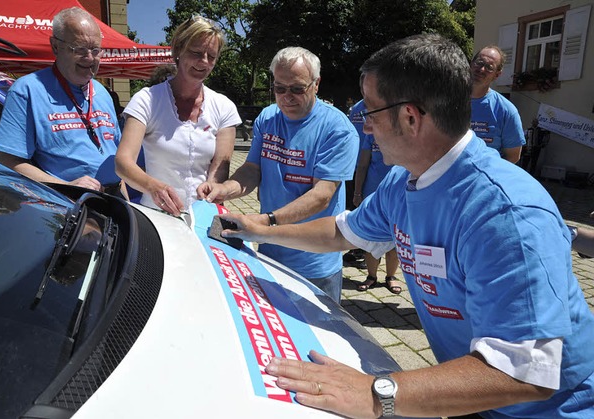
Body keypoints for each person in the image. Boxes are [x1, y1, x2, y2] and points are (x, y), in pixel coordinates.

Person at [218, 34, 594, 418]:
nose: (364, 128)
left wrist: (377, 392)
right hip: (477, 401)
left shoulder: (505, 213)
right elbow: (341, 233)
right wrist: (259, 230)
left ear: (410, 118)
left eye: (370, 113)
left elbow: (525, 372)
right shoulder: (404, 181)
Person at [198, 47, 359, 303]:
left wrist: (266, 222)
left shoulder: (337, 130)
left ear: (316, 84)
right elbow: (253, 169)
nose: (286, 97)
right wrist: (224, 188)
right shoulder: (268, 117)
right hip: (270, 252)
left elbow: (322, 196)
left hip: (313, 261)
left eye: (297, 89)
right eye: (279, 88)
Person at [115, 15, 240, 215]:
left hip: (203, 216)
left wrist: (212, 187)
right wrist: (153, 187)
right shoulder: (147, 100)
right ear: (178, 50)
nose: (204, 62)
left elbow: (220, 168)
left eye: (212, 56)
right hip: (156, 215)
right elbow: (123, 162)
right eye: (196, 53)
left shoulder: (224, 107)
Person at [0, 7, 123, 195]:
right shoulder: (27, 90)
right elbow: (9, 162)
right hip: (70, 204)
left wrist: (129, 205)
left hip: (115, 200)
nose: (89, 58)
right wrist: (66, 187)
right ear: (55, 46)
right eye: (79, 49)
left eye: (95, 50)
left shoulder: (102, 92)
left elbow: (116, 157)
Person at [349, 99, 401, 293]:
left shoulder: (404, 134)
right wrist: (357, 192)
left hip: (398, 195)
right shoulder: (372, 135)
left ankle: (391, 276)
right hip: (372, 194)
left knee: (396, 239)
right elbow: (362, 165)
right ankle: (371, 276)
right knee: (372, 237)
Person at [470, 45, 526, 164]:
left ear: (497, 75)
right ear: (471, 63)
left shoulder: (506, 110)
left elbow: (513, 156)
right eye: (479, 63)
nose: (481, 69)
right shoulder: (448, 99)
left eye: (489, 67)